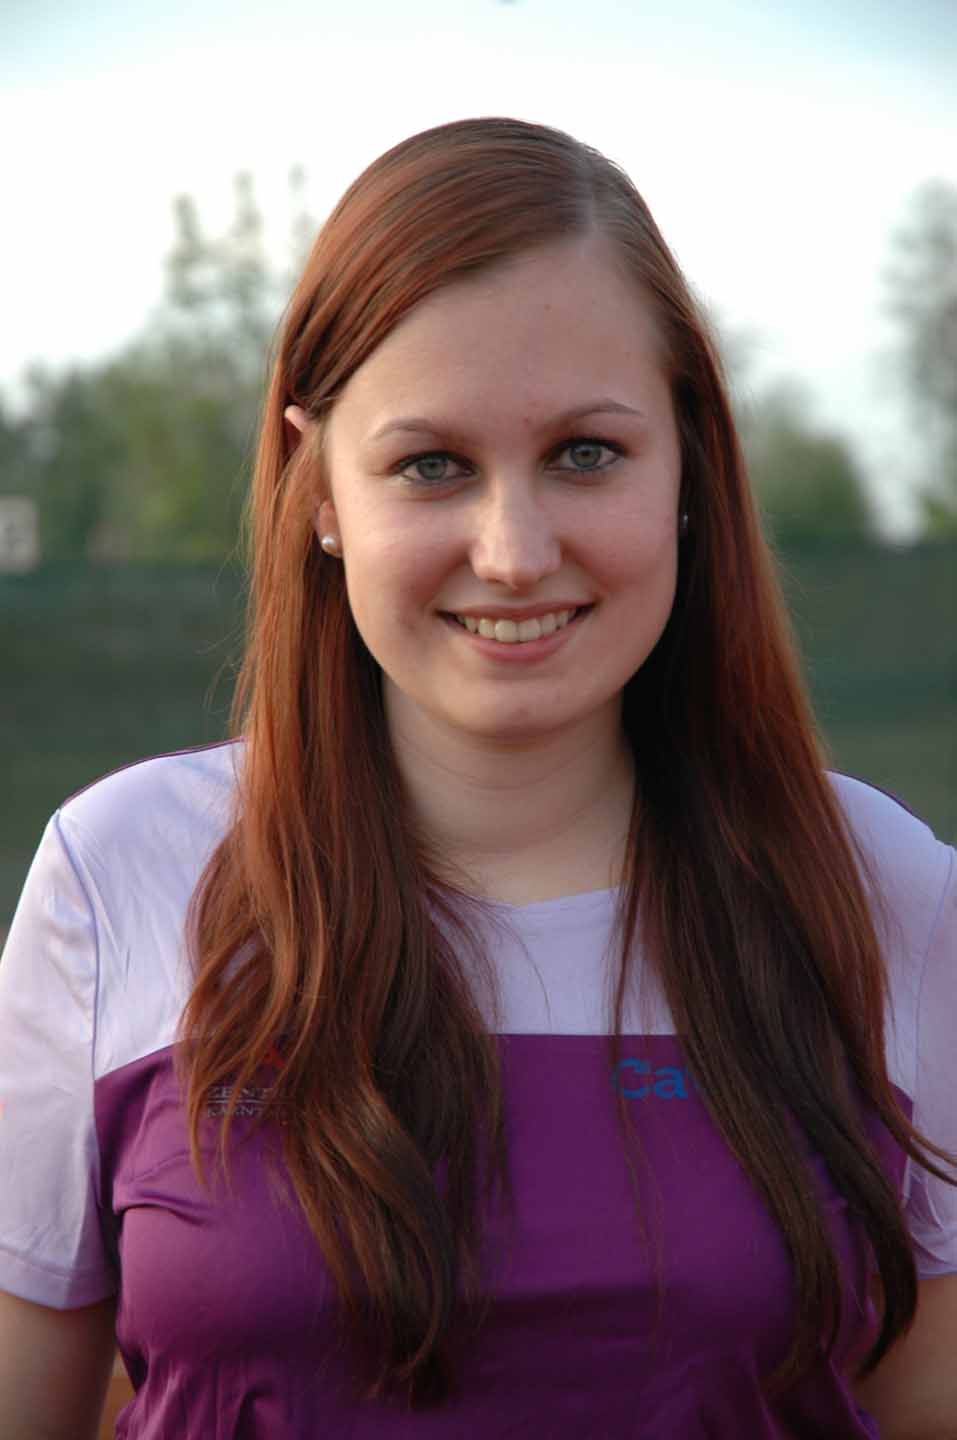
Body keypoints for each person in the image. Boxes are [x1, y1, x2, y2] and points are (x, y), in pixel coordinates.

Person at [0, 117, 954, 1440]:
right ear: (319, 490)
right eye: (431, 465)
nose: (512, 552)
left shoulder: (881, 892)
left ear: (687, 463)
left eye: (585, 454)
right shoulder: (116, 878)